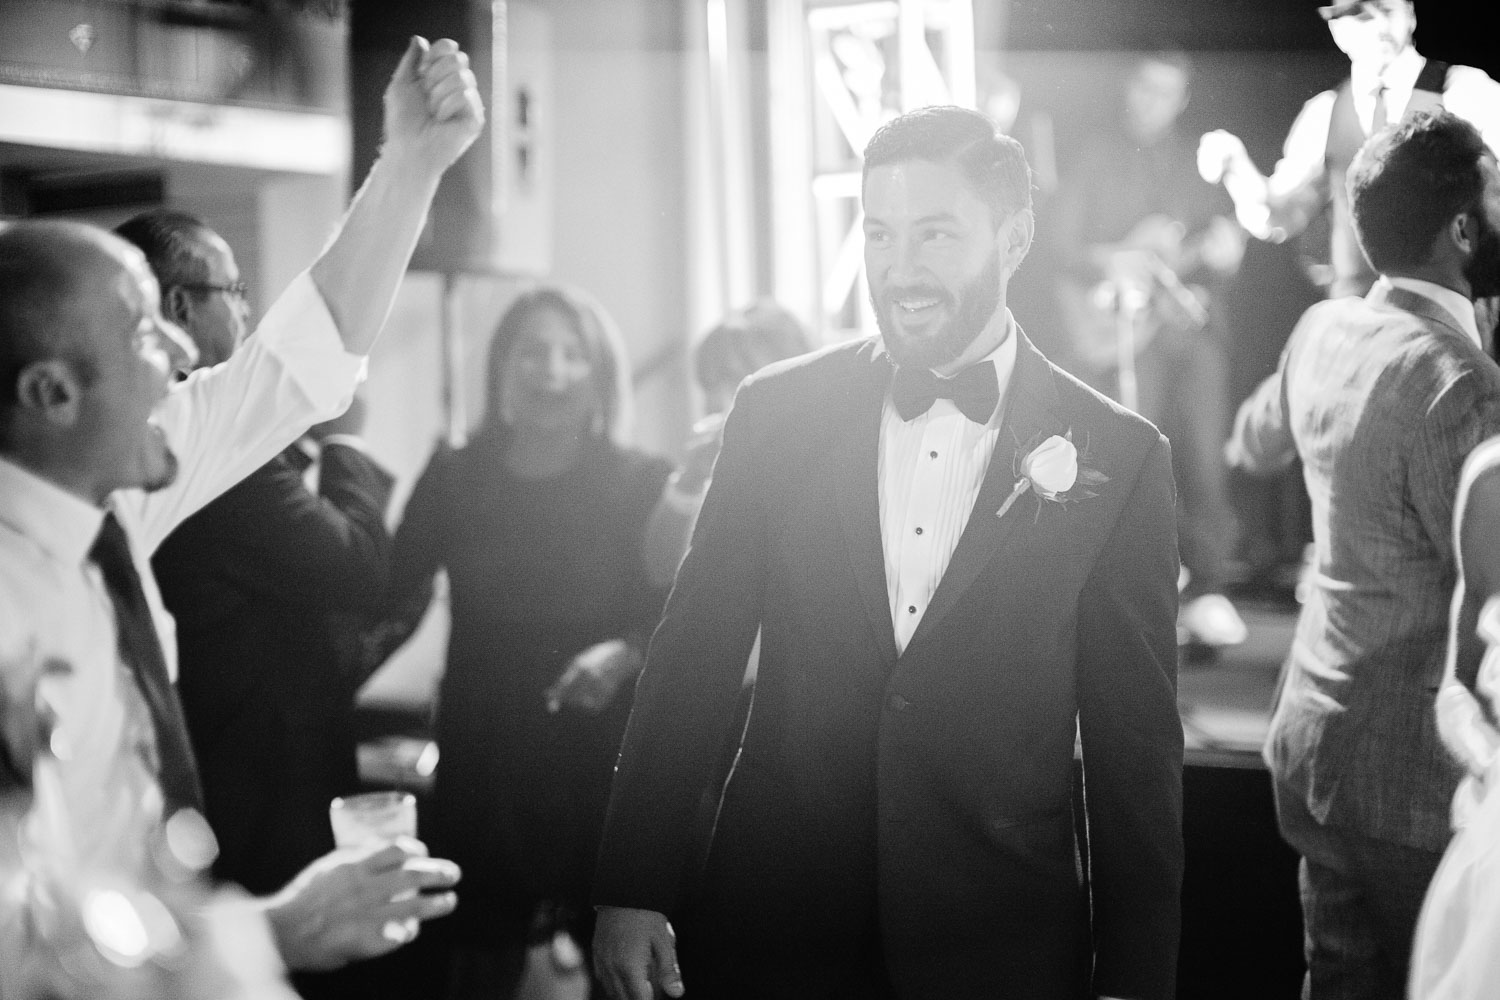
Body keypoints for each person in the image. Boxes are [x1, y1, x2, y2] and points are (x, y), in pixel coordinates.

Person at [593, 105, 1184, 1000]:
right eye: (879, 232)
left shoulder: (1118, 454)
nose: (899, 268)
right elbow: (693, 655)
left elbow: (1132, 750)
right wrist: (630, 887)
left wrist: (1135, 979)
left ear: (1014, 239)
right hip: (773, 931)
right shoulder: (775, 411)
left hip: (997, 946)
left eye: (936, 234)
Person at [0, 33, 483, 993]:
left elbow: (297, 363)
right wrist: (268, 934)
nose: (178, 349)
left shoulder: (118, 501)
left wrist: (413, 162)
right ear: (53, 394)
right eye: (143, 333)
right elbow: (25, 938)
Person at [1225, 109, 1500, 998]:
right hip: (1411, 786)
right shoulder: (1461, 385)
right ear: (1463, 228)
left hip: (1312, 748)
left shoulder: (1322, 331)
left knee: (1337, 983)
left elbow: (1249, 442)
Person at [114, 208, 404, 997]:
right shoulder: (185, 449)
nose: (243, 311)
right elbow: (353, 568)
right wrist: (349, 440)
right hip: (250, 780)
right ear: (178, 310)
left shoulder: (170, 443)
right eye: (233, 292)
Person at [381, 285, 673, 997]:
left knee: (620, 977)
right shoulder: (454, 473)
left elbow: (680, 618)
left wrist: (625, 652)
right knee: (473, 971)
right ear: (501, 368)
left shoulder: (641, 482)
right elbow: (383, 590)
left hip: (600, 762)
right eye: (533, 351)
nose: (553, 370)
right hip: (485, 763)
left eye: (574, 354)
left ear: (601, 373)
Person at [1052, 51, 1248, 653]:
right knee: (1139, 457)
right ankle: (1138, 585)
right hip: (1128, 333)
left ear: (1182, 99)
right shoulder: (1095, 154)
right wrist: (1118, 260)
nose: (1150, 101)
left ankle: (1210, 586)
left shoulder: (1198, 162)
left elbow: (1226, 239)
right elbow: (1060, 245)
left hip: (1192, 329)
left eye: (1165, 92)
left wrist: (1227, 249)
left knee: (1205, 459)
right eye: (1143, 87)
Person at [1199, 0, 1500, 300]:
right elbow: (1281, 215)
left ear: (1410, 14)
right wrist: (1236, 167)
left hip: (1449, 311)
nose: (1379, 25)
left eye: (1387, 9)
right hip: (1358, 315)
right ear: (1335, 28)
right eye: (1359, 13)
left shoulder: (1465, 91)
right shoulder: (1324, 113)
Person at [642, 299, 814, 589]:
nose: (712, 401)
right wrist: (689, 482)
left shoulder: (825, 467)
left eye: (733, 378)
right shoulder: (715, 473)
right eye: (707, 385)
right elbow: (661, 572)